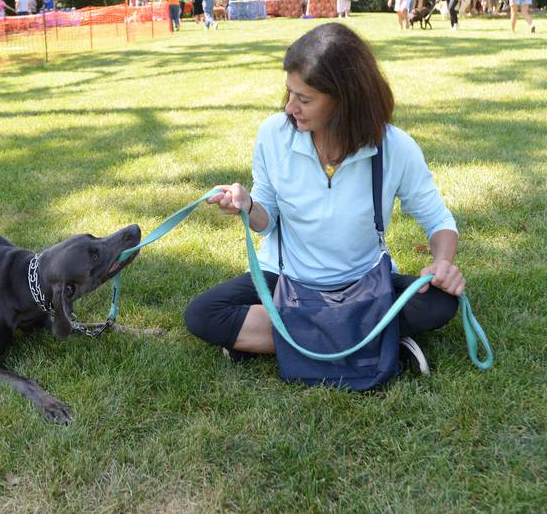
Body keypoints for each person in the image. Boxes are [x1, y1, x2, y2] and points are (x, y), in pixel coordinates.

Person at [184, 23, 463, 376]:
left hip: (363, 284)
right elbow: (266, 221)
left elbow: (438, 221)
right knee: (203, 314)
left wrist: (442, 264)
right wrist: (248, 205)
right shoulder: (273, 135)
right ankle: (377, 338)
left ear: (345, 100)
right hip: (285, 279)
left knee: (439, 303)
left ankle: (286, 339)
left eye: (304, 99)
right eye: (289, 94)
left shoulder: (395, 148)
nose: (289, 108)